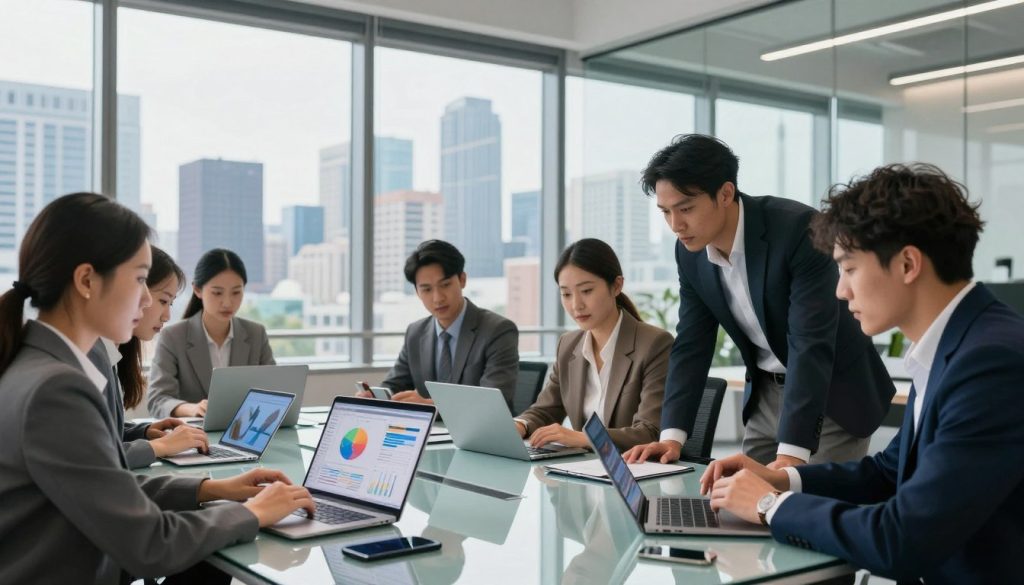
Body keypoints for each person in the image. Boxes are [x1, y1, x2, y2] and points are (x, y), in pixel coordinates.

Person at [701, 164, 1024, 583]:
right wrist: (781, 479)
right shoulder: (955, 345)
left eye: (849, 268)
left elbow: (902, 539)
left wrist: (769, 505)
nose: (840, 290)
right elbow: (889, 473)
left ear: (908, 264)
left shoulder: (990, 363)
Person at [0, 192, 314, 584]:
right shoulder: (56, 390)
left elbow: (112, 490)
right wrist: (254, 512)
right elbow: (151, 544)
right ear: (86, 281)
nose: (148, 299)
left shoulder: (37, 365)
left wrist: (217, 488)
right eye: (138, 279)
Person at [625, 134, 894, 469]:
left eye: (686, 208)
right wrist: (671, 437)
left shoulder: (799, 230)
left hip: (830, 394)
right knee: (740, 510)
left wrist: (792, 453)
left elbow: (811, 343)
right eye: (665, 212)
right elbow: (692, 343)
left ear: (725, 194)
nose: (676, 225)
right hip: (765, 395)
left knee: (806, 509)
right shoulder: (689, 252)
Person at [513, 238, 672, 451]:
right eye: (566, 294)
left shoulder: (654, 344)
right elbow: (545, 410)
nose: (576, 305)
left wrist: (582, 438)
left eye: (586, 291)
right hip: (584, 471)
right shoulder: (569, 345)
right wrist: (520, 425)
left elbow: (650, 432)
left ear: (616, 286)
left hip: (633, 472)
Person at [89, 246, 208, 469]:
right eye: (163, 301)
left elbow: (102, 431)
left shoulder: (109, 353)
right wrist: (161, 447)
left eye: (170, 303)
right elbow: (94, 456)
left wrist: (144, 432)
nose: (167, 315)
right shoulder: (89, 358)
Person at [371, 240, 519, 408]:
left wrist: (429, 405)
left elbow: (493, 402)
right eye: (426, 289)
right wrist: (375, 397)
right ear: (417, 292)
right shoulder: (416, 332)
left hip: (484, 433)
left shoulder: (497, 331)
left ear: (462, 280)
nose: (438, 298)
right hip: (432, 432)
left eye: (445, 285)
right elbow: (395, 385)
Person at [147, 248, 275, 419]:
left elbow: (275, 393)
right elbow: (157, 400)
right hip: (193, 436)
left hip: (244, 432)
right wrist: (190, 409)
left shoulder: (256, 334)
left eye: (236, 292)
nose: (227, 302)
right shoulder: (173, 336)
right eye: (217, 293)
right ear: (197, 290)